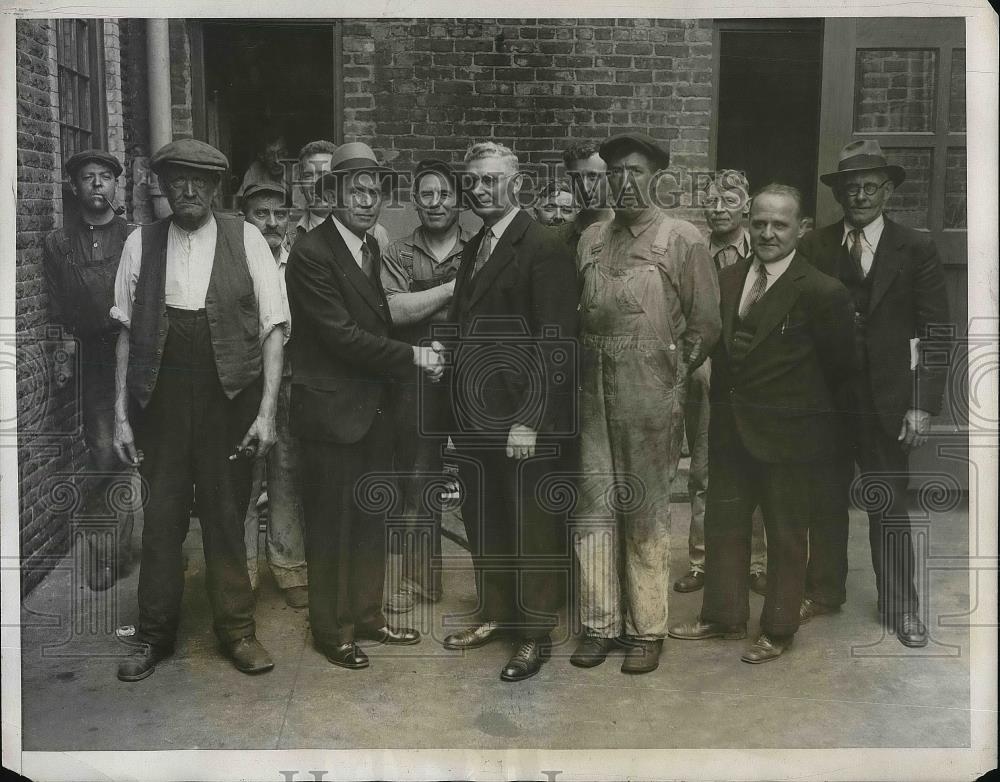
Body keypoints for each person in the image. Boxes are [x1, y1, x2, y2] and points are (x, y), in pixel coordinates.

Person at [111, 139, 287, 681]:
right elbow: (124, 331)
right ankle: (154, 635)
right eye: (177, 180)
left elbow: (273, 329)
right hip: (160, 399)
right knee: (161, 520)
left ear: (216, 188)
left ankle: (236, 631)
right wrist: (120, 412)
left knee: (225, 516)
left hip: (227, 397)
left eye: (199, 181)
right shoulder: (141, 243)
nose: (188, 190)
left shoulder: (247, 237)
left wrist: (266, 413)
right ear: (163, 187)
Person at [668, 184, 856, 664]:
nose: (768, 233)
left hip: (791, 439)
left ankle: (778, 627)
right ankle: (723, 617)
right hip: (731, 430)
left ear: (801, 229)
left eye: (780, 225)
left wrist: (821, 439)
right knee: (725, 526)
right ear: (749, 223)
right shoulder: (726, 277)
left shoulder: (821, 290)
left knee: (785, 535)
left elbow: (842, 373)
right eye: (760, 223)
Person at [284, 142, 444, 671]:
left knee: (371, 516)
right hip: (331, 415)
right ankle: (332, 630)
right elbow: (342, 337)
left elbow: (373, 323)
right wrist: (415, 357)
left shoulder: (369, 248)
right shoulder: (312, 253)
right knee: (331, 526)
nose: (368, 200)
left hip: (371, 408)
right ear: (333, 193)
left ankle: (368, 615)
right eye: (356, 190)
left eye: (375, 191)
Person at [570, 133, 720, 674]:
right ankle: (598, 625)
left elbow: (706, 325)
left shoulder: (682, 239)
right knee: (593, 507)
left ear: (657, 177)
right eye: (614, 172)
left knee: (646, 509)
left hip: (650, 393)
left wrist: (669, 378)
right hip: (592, 393)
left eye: (635, 171)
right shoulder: (589, 238)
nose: (624, 181)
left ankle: (647, 629)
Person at [798, 140, 950, 648]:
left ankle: (900, 606)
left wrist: (922, 403)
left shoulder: (916, 248)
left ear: (886, 191)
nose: (860, 195)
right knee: (823, 500)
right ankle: (823, 592)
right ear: (840, 193)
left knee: (887, 502)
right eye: (851, 187)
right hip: (828, 398)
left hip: (887, 399)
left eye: (869, 186)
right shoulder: (815, 247)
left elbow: (936, 333)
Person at [441, 141, 577, 682]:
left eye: (492, 180)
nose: (480, 189)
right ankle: (496, 613)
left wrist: (532, 419)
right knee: (485, 515)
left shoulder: (542, 244)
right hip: (476, 414)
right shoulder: (479, 244)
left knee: (529, 521)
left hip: (521, 417)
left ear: (516, 183)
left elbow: (556, 341)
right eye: (472, 181)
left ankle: (535, 633)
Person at [42, 149, 137, 592]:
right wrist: (62, 348)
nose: (97, 184)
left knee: (154, 454)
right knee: (104, 454)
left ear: (116, 185)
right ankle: (107, 555)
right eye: (87, 177)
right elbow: (58, 308)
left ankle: (154, 552)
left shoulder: (136, 238)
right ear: (74, 187)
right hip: (96, 359)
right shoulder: (59, 244)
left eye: (105, 177)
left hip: (139, 352)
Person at [380, 159, 472, 614]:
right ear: (416, 201)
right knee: (417, 480)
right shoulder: (397, 253)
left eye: (445, 194)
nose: (436, 203)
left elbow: (484, 315)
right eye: (427, 195)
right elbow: (394, 312)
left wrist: (425, 303)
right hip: (416, 379)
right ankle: (420, 582)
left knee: (482, 478)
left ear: (459, 198)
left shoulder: (480, 248)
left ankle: (492, 587)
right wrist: (455, 289)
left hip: (472, 377)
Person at [674, 170, 768, 596]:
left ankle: (757, 561)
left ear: (746, 206)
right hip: (703, 374)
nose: (718, 208)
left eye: (729, 200)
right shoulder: (692, 252)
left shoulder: (762, 250)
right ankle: (701, 559)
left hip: (753, 375)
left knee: (757, 465)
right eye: (710, 200)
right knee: (703, 470)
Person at [240, 182, 308, 609]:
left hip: (290, 376)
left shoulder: (298, 261)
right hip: (246, 378)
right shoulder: (234, 257)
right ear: (245, 215)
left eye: (279, 213)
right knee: (244, 475)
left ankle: (289, 567)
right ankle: (242, 571)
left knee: (287, 472)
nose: (270, 221)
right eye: (260, 212)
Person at [292, 139, 391, 253]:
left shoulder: (375, 234)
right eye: (308, 175)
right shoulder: (290, 238)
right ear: (300, 184)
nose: (316, 182)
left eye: (324, 174)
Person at [556, 141, 614, 254]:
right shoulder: (559, 238)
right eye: (577, 178)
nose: (586, 188)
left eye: (593, 176)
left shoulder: (627, 233)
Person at [239, 130, 292, 196]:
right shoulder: (255, 170)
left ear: (286, 152)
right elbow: (241, 199)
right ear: (262, 156)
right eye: (270, 155)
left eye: (281, 153)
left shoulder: (295, 173)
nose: (276, 160)